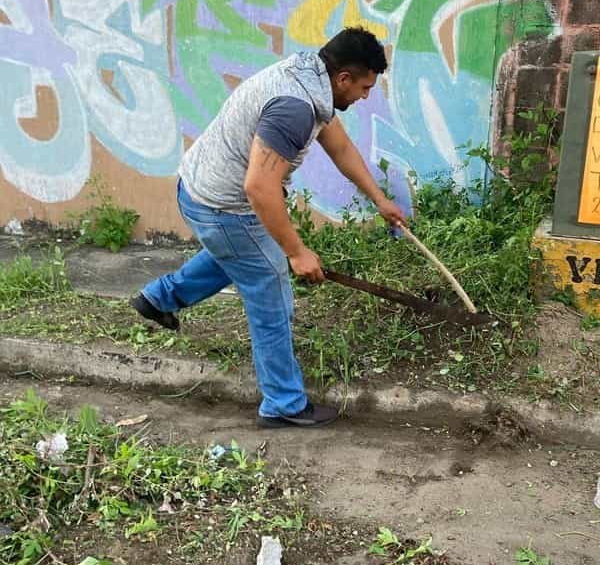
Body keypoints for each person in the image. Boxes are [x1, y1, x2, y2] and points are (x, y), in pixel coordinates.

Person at [131, 27, 407, 428]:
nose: (365, 96)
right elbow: (259, 188)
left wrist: (379, 200)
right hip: (223, 206)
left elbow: (341, 148)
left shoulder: (311, 78)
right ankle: (284, 403)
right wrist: (296, 252)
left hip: (197, 189)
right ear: (343, 78)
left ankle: (158, 299)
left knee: (240, 256)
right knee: (271, 292)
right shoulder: (295, 107)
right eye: (364, 87)